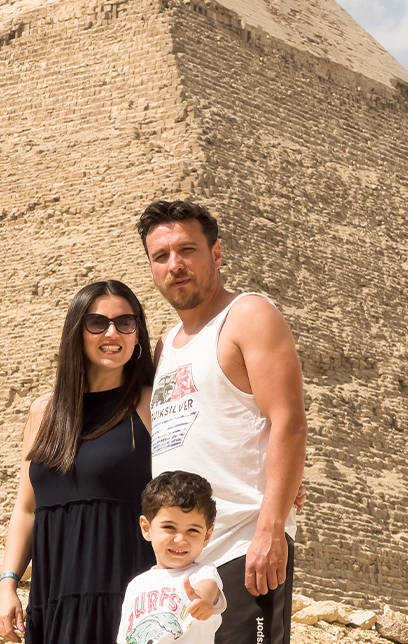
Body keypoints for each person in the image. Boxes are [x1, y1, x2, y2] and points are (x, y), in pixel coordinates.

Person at [136, 200, 308, 644]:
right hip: (180, 559)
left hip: (243, 547)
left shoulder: (248, 316)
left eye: (187, 250)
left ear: (215, 254)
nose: (175, 265)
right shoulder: (165, 346)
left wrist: (271, 528)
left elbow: (288, 421)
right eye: (161, 256)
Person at [0, 280, 157, 644]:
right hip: (52, 599)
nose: (112, 333)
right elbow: (26, 509)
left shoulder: (152, 404)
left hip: (122, 598)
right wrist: (8, 583)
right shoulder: (43, 412)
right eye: (97, 323)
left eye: (125, 323)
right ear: (76, 332)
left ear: (138, 334)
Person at [117, 470, 226, 644]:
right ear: (146, 528)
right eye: (169, 527)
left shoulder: (203, 573)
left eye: (192, 530)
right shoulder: (135, 585)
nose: (180, 540)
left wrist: (203, 599)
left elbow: (208, 589)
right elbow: (125, 638)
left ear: (206, 536)